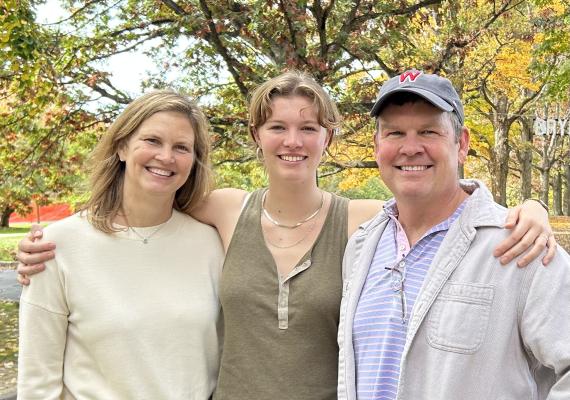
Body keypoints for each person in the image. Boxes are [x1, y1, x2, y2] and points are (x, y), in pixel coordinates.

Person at [17, 72, 556, 400]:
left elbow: (447, 209)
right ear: (256, 136)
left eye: (308, 128)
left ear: (329, 137)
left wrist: (527, 211)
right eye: (277, 126)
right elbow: (149, 192)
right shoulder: (225, 209)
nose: (292, 141)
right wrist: (59, 238)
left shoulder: (365, 220)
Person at [337, 70, 569, 400]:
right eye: (395, 133)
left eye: (428, 131)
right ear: (376, 146)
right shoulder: (361, 247)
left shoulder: (520, 244)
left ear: (461, 144)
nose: (411, 147)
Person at [17, 90, 224, 399]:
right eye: (153, 141)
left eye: (181, 147)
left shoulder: (212, 244)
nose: (166, 157)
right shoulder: (56, 247)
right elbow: (37, 382)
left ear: (194, 162)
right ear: (122, 147)